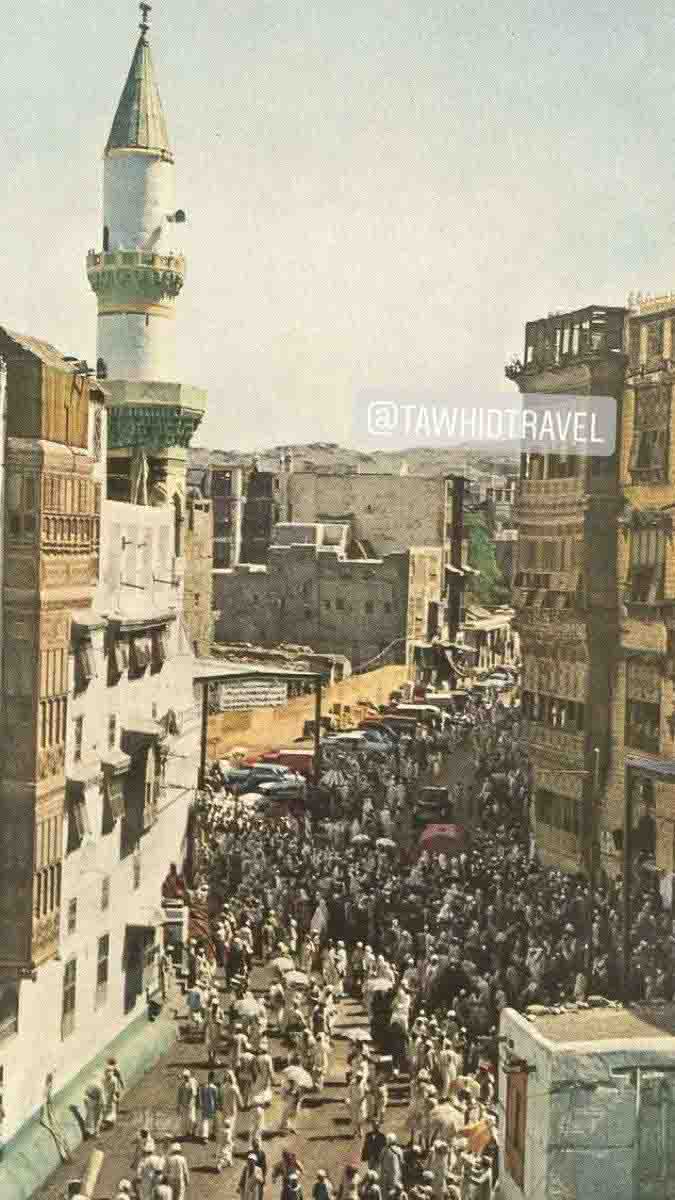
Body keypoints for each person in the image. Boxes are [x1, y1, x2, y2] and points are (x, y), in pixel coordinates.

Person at [102, 1058, 124, 1127]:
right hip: (115, 1087)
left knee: (114, 1101)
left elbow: (119, 1078)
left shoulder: (112, 1070)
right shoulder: (114, 1070)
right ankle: (117, 1110)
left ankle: (116, 1111)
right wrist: (122, 1085)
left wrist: (122, 1085)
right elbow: (120, 1078)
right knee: (115, 1100)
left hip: (114, 1088)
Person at [176, 1070, 198, 1138]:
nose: (185, 1078)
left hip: (191, 1104)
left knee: (191, 1118)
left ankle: (193, 1129)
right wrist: (179, 1105)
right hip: (184, 1104)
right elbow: (179, 1095)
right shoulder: (182, 1084)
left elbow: (193, 1094)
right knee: (185, 1119)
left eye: (186, 1077)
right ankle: (188, 1132)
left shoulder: (192, 1083)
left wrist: (190, 1103)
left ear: (189, 1076)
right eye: (184, 1077)